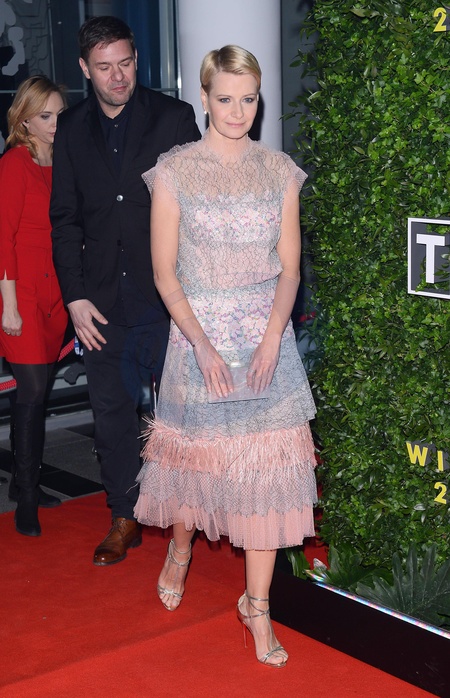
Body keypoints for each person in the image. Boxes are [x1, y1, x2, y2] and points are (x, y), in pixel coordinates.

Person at [134, 45, 318, 668]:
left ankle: (257, 607)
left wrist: (272, 338)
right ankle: (180, 548)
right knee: (198, 467)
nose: (238, 111)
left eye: (249, 99)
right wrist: (202, 343)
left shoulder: (280, 170)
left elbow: (290, 270)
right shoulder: (174, 171)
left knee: (269, 476)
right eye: (225, 98)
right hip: (198, 341)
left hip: (268, 343)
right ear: (204, 98)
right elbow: (165, 274)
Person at [50, 16, 200, 566]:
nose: (118, 77)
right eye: (105, 68)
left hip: (167, 298)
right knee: (111, 413)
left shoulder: (173, 118)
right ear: (84, 69)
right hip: (99, 302)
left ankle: (192, 514)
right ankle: (125, 516)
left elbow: (198, 213)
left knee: (183, 414)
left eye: (126, 64)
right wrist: (74, 296)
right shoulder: (70, 128)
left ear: (137, 58)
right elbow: (64, 219)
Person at [0, 75, 68, 537]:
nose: (55, 123)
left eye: (60, 114)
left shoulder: (61, 162)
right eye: (45, 116)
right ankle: (26, 495)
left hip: (56, 294)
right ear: (24, 119)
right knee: (31, 391)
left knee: (37, 394)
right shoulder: (13, 164)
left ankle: (21, 480)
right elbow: (2, 239)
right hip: (20, 291)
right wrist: (9, 307)